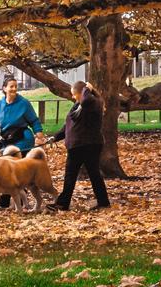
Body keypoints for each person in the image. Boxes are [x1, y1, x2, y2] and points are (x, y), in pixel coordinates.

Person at [38, 80, 111, 212]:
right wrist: (55, 137)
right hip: (80, 145)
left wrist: (87, 89)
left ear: (81, 93)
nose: (73, 97)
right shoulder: (79, 107)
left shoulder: (91, 103)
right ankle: (102, 201)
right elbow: (68, 125)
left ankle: (63, 203)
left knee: (78, 175)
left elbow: (86, 100)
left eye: (74, 94)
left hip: (86, 144)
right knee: (88, 174)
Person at [0, 76, 43, 207]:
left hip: (23, 139)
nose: (14, 88)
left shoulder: (24, 103)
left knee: (15, 169)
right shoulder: (0, 104)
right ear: (4, 88)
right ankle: (11, 198)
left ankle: (15, 199)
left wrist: (39, 135)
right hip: (6, 139)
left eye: (15, 86)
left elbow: (34, 121)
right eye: (11, 86)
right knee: (5, 168)